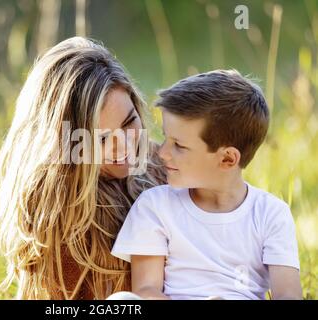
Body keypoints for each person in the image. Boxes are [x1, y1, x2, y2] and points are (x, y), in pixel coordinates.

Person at [0, 36, 166, 299]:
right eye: (101, 139)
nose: (124, 148)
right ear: (62, 144)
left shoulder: (162, 165)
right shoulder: (57, 210)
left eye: (129, 122)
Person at [111, 70, 302, 300]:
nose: (162, 153)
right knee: (122, 301)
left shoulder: (271, 214)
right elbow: (146, 291)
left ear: (227, 159)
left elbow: (288, 296)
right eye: (165, 138)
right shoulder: (155, 205)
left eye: (179, 146)